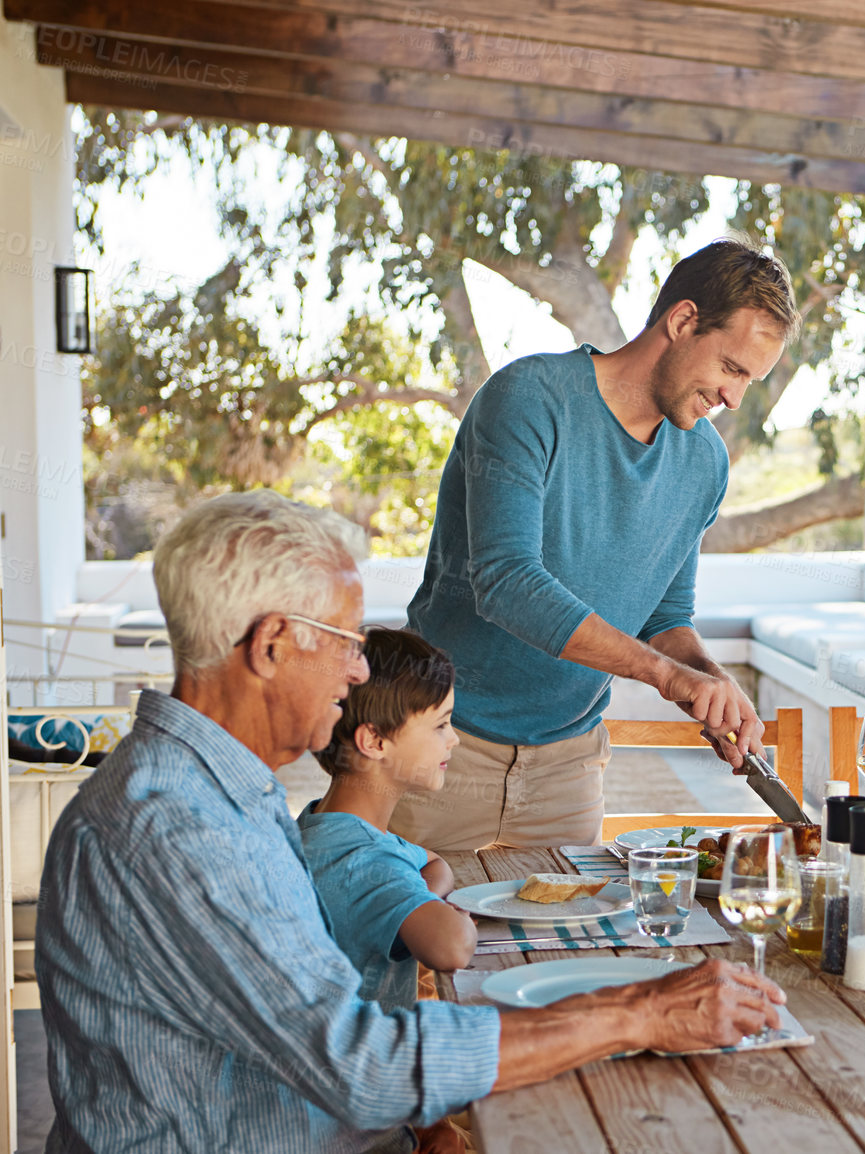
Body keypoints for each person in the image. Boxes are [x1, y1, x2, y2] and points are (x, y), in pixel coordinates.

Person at [36, 491, 784, 1154]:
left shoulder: (214, 787)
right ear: (269, 646)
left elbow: (315, 1030)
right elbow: (364, 1066)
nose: (360, 672)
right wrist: (637, 1013)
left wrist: (422, 1121)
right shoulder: (177, 828)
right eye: (346, 642)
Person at [397, 238, 798, 852]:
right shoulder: (529, 399)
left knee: (570, 945)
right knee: (411, 942)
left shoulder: (704, 463)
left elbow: (666, 619)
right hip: (438, 742)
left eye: (751, 380)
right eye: (732, 368)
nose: (735, 398)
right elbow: (506, 583)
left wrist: (711, 682)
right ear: (683, 321)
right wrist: (669, 679)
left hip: (569, 768)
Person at [303, 628, 475, 1009]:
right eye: (440, 724)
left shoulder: (323, 825)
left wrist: (420, 898)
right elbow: (453, 948)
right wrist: (452, 917)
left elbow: (432, 862)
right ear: (376, 742)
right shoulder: (363, 860)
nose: (454, 739)